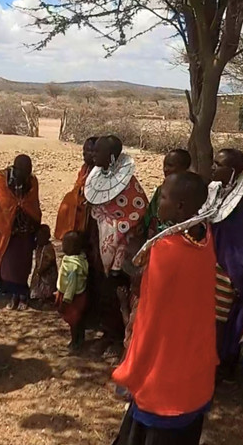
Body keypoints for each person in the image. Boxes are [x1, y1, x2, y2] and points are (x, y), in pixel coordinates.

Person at [112, 172, 218, 445]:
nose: (158, 202)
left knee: (156, 422)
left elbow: (149, 317)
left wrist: (133, 367)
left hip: (164, 365)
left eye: (165, 197)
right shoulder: (204, 238)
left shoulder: (166, 249)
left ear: (181, 206)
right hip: (193, 358)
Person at [85, 135, 148, 355]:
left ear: (111, 156)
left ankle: (119, 339)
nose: (93, 154)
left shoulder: (129, 186)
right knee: (103, 292)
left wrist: (115, 234)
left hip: (121, 253)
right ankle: (107, 333)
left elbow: (136, 215)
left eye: (98, 152)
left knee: (117, 292)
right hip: (100, 245)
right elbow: (96, 214)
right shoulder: (94, 179)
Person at [210, 148, 243, 380]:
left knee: (220, 321)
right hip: (208, 264)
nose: (213, 168)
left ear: (232, 172)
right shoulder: (215, 192)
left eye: (218, 165)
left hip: (227, 271)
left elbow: (242, 242)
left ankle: (218, 364)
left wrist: (235, 276)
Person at [0, 154, 42, 310]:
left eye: (29, 171)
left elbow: (33, 203)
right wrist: (17, 205)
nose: (26, 175)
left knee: (23, 263)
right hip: (5, 228)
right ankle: (10, 294)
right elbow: (1, 202)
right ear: (15, 168)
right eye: (23, 172)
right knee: (7, 262)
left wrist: (31, 219)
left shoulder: (32, 181)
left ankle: (22, 294)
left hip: (25, 229)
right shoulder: (1, 179)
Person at [55, 137, 98, 240]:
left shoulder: (100, 172)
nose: (84, 154)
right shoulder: (85, 168)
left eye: (88, 151)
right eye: (84, 150)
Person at [144, 149, 192, 239]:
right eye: (164, 165)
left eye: (170, 165)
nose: (165, 169)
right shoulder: (160, 190)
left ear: (185, 167)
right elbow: (149, 217)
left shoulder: (190, 194)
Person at [56, 231, 89, 352]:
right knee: (79, 319)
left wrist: (65, 302)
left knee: (73, 321)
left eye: (65, 244)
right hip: (81, 294)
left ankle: (75, 341)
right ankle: (81, 338)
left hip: (72, 297)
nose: (62, 246)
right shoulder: (81, 259)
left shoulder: (72, 266)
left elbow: (71, 285)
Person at [30, 224, 58, 305]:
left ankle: (46, 298)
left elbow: (48, 260)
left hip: (47, 273)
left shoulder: (48, 248)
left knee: (47, 286)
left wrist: (41, 269)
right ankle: (38, 297)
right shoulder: (39, 247)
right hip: (39, 271)